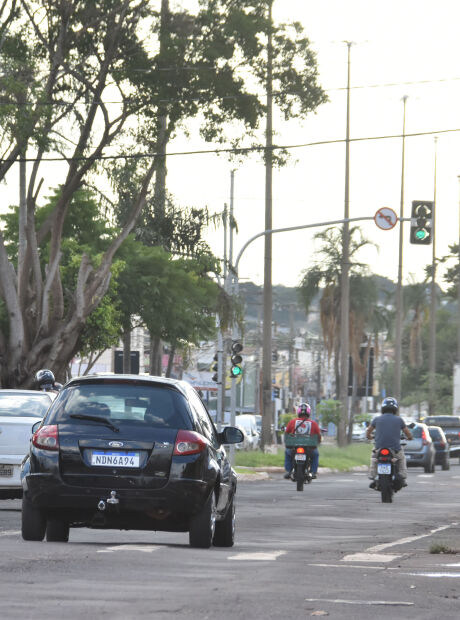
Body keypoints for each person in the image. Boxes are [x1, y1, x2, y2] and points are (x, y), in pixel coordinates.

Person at [366, 396, 413, 488]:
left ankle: (372, 474)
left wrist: (370, 437)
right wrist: (410, 437)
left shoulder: (376, 419)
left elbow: (368, 431)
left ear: (383, 408)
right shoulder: (399, 420)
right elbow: (407, 433)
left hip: (379, 448)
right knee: (401, 458)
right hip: (395, 450)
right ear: (395, 409)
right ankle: (403, 477)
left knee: (374, 458)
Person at [284, 403, 322, 479]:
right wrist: (318, 442)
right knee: (315, 455)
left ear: (298, 412)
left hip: (294, 447)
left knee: (287, 453)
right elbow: (318, 435)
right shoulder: (313, 423)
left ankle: (289, 471)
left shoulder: (292, 422)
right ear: (309, 412)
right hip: (309, 449)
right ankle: (313, 472)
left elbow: (287, 433)